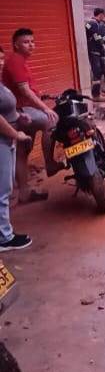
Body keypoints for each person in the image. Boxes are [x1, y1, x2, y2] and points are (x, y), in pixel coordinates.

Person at [1, 29, 60, 204]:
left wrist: (41, 95)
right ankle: (50, 163)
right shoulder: (15, 60)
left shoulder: (19, 61)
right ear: (16, 45)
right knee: (52, 121)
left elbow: (26, 89)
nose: (31, 45)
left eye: (32, 41)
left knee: (22, 151)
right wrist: (45, 109)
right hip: (22, 111)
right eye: (26, 42)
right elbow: (24, 91)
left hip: (20, 112)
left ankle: (24, 193)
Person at [0, 45, 33, 252]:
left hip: (7, 140)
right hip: (2, 140)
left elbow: (5, 108)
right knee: (2, 191)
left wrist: (19, 117)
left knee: (6, 187)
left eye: (1, 59)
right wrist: (16, 134)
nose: (0, 63)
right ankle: (4, 238)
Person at [86, 8, 105, 100]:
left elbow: (89, 32)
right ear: (100, 15)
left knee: (98, 72)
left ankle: (98, 92)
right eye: (103, 16)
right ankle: (96, 95)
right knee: (97, 72)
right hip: (95, 51)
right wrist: (103, 43)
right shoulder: (94, 24)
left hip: (93, 50)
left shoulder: (89, 23)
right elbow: (97, 37)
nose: (103, 18)